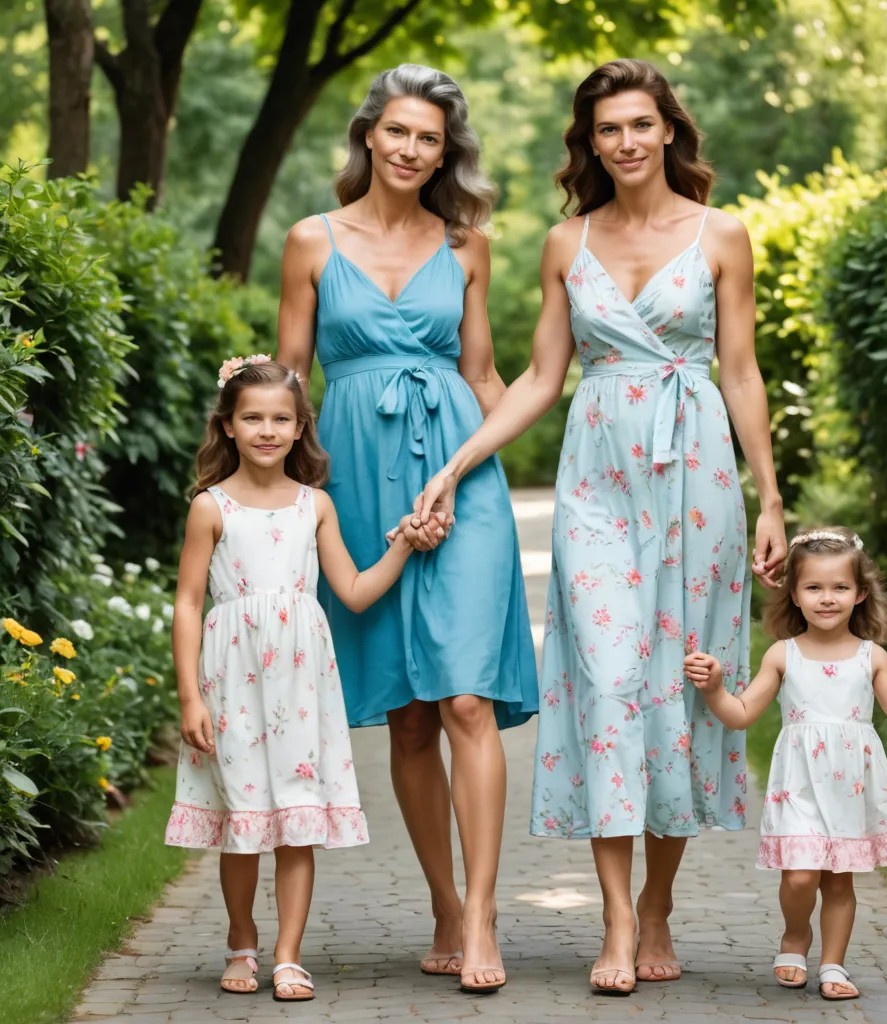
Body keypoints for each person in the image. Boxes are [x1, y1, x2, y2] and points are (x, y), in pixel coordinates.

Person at [413, 58, 787, 995]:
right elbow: (542, 378)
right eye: (606, 129)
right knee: (610, 682)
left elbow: (740, 373)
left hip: (696, 471)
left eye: (640, 125)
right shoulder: (562, 242)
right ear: (590, 143)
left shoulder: (722, 235)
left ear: (669, 131)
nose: (624, 141)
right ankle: (618, 923)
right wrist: (458, 464)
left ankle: (660, 899)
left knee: (678, 686)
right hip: (596, 477)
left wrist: (771, 496)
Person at [276, 64, 538, 993]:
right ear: (369, 136)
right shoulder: (312, 241)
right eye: (396, 132)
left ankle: (484, 914)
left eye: (428, 138)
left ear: (445, 152)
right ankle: (441, 900)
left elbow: (485, 375)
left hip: (460, 481)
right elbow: (288, 381)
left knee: (466, 697)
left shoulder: (468, 245)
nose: (409, 149)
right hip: (354, 480)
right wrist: (262, 500)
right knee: (411, 713)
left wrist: (502, 457)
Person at [165, 356, 417, 1002]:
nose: (267, 430)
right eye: (252, 418)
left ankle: (288, 955)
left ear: (302, 428)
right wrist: (190, 695)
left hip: (301, 688)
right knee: (243, 819)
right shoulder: (210, 508)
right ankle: (242, 942)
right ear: (226, 426)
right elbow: (189, 603)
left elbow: (355, 592)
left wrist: (404, 545)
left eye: (281, 418)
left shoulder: (315, 507)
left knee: (296, 821)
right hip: (233, 682)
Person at [684, 527, 887, 1000]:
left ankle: (833, 964)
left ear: (860, 593)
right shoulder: (782, 655)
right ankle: (795, 934)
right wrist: (715, 689)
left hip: (850, 787)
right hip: (800, 786)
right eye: (813, 587)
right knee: (801, 874)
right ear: (794, 593)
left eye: (839, 588)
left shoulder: (871, 657)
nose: (826, 598)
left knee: (837, 881)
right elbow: (743, 714)